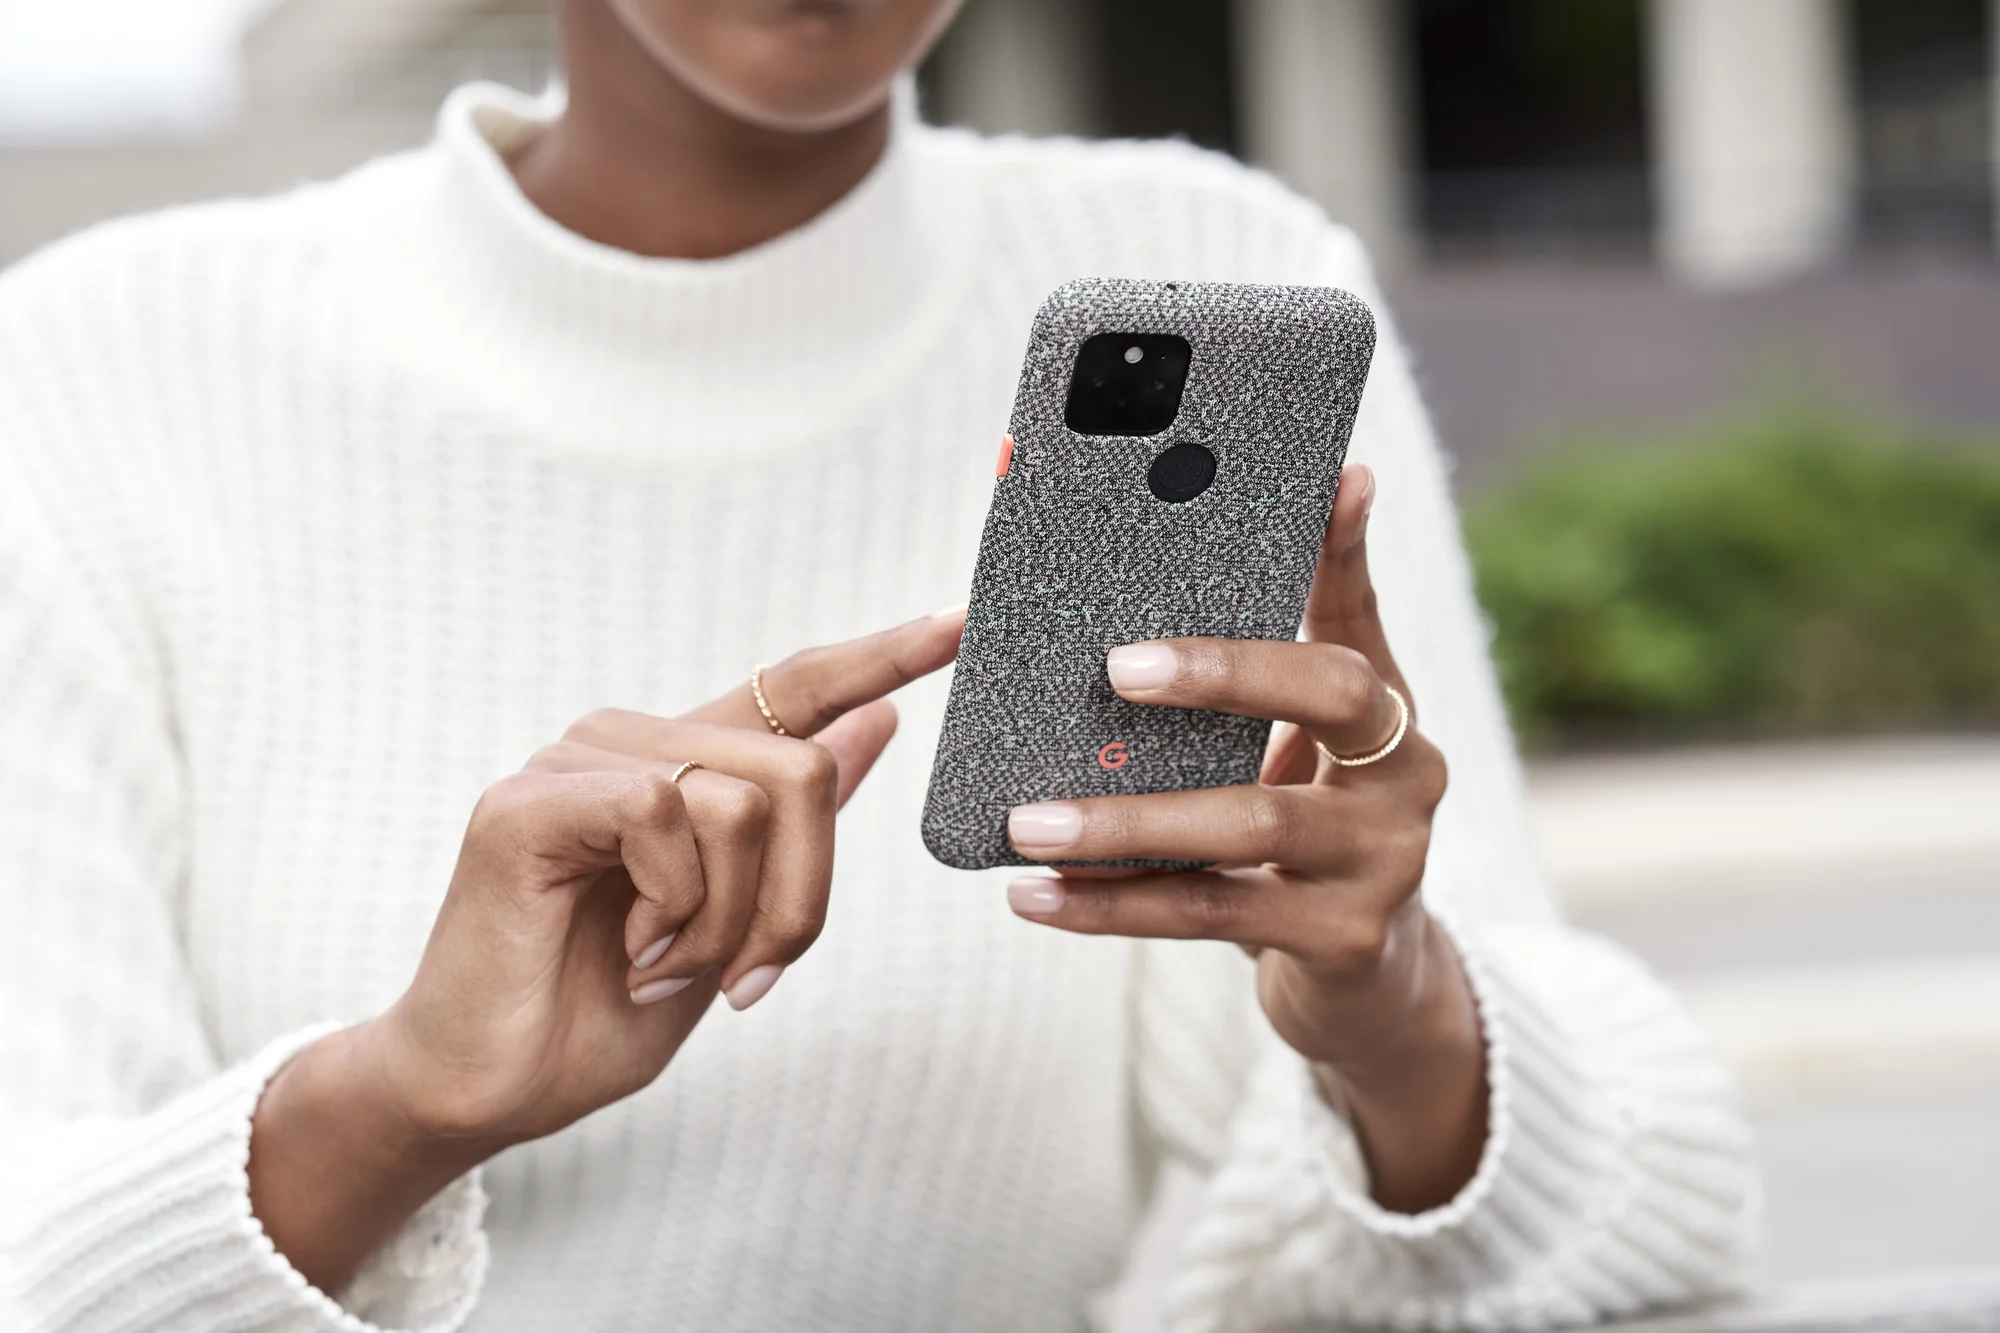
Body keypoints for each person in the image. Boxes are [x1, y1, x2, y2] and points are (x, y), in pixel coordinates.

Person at [0, 1, 1755, 1329]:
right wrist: (397, 1101)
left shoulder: (1210, 274)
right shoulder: (104, 368)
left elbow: (1648, 1194)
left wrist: (1396, 1017)